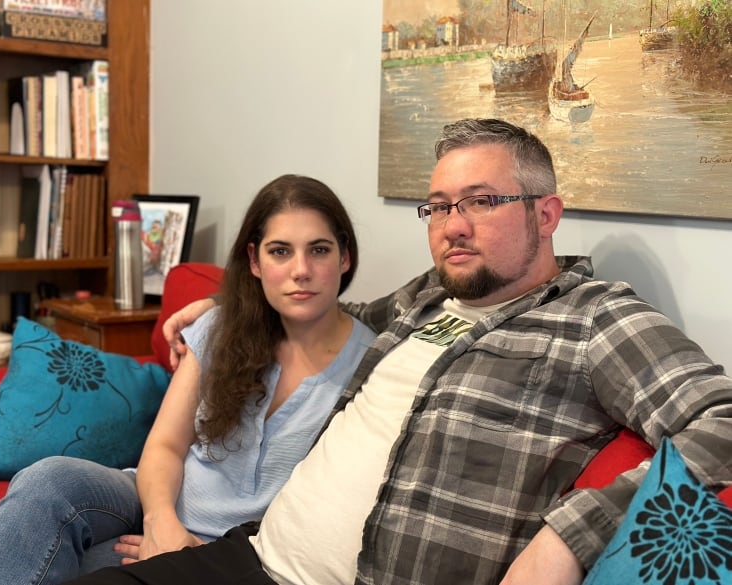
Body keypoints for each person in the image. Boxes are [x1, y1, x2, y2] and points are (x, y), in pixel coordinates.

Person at [65, 118, 732, 585]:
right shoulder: (424, 300)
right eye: (438, 207)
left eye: (481, 202)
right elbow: (324, 308)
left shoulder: (595, 318)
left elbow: (720, 419)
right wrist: (230, 300)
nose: (452, 226)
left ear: (546, 213)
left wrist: (570, 535)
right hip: (253, 557)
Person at [0, 174, 376, 585]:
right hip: (154, 502)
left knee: (26, 566)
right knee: (47, 480)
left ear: (345, 257)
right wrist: (162, 524)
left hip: (233, 553)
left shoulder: (374, 366)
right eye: (280, 251)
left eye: (319, 250)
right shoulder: (220, 327)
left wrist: (181, 551)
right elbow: (166, 445)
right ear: (254, 261)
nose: (300, 270)